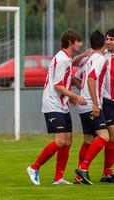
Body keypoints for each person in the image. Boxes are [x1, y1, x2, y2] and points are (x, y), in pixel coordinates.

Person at [27, 28, 86, 185]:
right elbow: (58, 86)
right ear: (70, 42)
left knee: (68, 140)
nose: (81, 43)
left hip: (61, 104)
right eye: (78, 41)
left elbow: (63, 82)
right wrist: (76, 97)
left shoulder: (65, 58)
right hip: (53, 104)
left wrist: (69, 98)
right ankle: (34, 167)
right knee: (60, 140)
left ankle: (58, 178)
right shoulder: (61, 60)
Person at [74, 30, 109, 185]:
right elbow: (91, 79)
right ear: (103, 44)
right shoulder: (100, 59)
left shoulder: (89, 59)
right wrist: (95, 103)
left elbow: (77, 77)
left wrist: (82, 94)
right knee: (104, 137)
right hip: (90, 105)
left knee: (88, 139)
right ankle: (83, 168)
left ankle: (79, 176)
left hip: (83, 105)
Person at [100, 27, 114, 183]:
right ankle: (107, 173)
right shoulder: (101, 56)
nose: (109, 42)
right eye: (107, 39)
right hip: (107, 101)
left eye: (111, 39)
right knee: (111, 136)